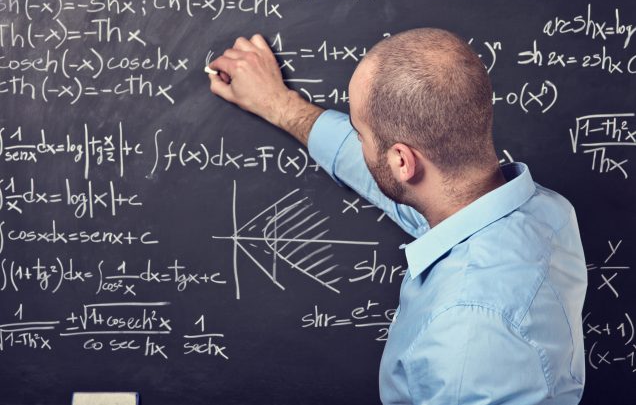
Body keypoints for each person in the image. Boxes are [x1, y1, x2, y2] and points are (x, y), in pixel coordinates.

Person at [207, 28, 587, 404]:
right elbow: (398, 184)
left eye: (360, 133)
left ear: (403, 160)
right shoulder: (539, 210)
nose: (358, 142)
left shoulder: (468, 333)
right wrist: (280, 105)